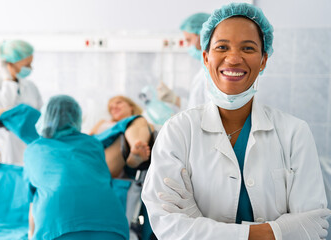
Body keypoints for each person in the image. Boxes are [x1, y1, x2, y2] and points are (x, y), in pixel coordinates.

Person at [142, 3, 330, 240]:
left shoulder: (294, 133)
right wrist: (274, 232)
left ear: (263, 60)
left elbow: (312, 228)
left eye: (248, 48)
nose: (233, 58)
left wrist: (197, 223)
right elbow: (168, 226)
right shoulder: (178, 131)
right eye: (222, 47)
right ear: (206, 57)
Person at [0, 95, 129, 240]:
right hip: (113, 226)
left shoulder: (35, 149)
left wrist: (32, 236)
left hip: (58, 227)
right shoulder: (93, 144)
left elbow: (34, 202)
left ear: (45, 118)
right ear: (77, 118)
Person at [0, 40, 43, 194]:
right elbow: (3, 108)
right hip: (0, 148)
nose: (30, 68)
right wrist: (8, 79)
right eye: (27, 64)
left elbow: (39, 115)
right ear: (11, 63)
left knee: (21, 193)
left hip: (26, 147)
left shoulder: (30, 86)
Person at [90, 95, 153, 178]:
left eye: (118, 102)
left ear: (131, 107)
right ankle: (136, 150)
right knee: (124, 135)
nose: (114, 107)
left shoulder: (145, 123)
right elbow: (86, 140)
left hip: (118, 163)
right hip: (98, 158)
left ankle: (135, 154)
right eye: (111, 108)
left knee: (138, 123)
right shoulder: (102, 123)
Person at [157, 13, 210, 110]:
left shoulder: (210, 71)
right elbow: (196, 107)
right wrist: (175, 100)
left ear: (202, 36)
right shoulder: (203, 70)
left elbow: (204, 111)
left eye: (189, 40)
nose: (188, 45)